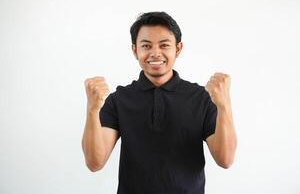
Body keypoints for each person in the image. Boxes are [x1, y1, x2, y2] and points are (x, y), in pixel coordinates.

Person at [81, 11, 237, 194]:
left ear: (178, 49)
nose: (155, 53)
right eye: (146, 46)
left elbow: (225, 160)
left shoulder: (200, 98)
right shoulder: (119, 99)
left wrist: (224, 106)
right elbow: (94, 163)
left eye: (164, 45)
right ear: (135, 50)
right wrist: (92, 110)